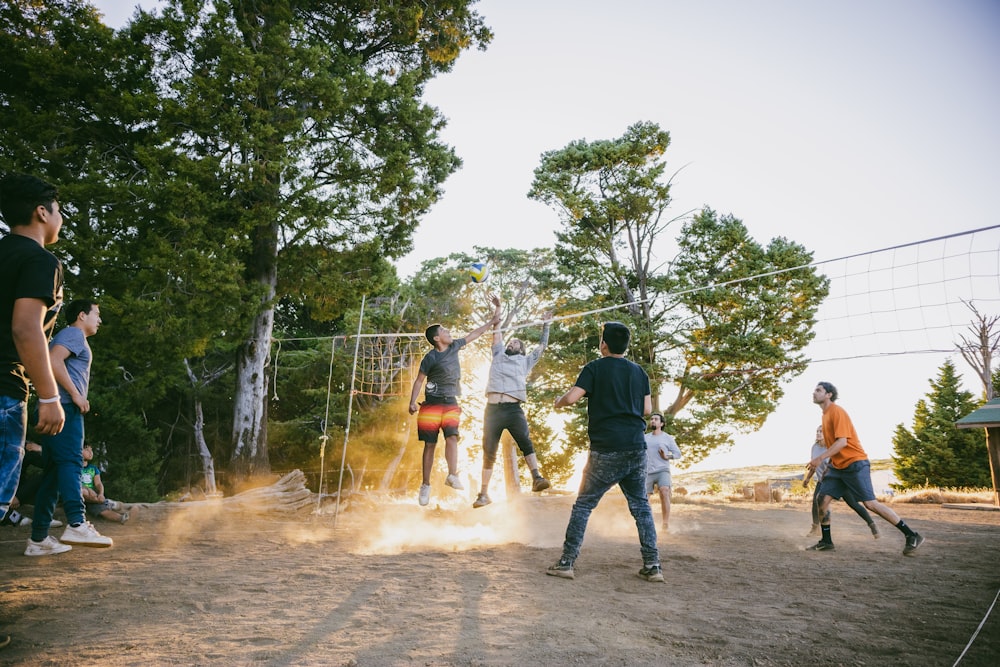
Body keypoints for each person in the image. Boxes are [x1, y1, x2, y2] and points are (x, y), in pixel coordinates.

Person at [547, 321, 663, 582]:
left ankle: (566, 563)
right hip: (635, 447)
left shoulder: (594, 368)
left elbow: (573, 397)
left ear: (604, 345)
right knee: (641, 508)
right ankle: (653, 566)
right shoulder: (640, 373)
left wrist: (558, 402)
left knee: (584, 505)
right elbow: (647, 410)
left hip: (606, 449)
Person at [0, 173, 68, 562]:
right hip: (5, 388)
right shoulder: (38, 260)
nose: (60, 220)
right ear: (42, 212)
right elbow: (26, 329)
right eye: (58, 212)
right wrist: (48, 395)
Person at [28, 299, 113, 555]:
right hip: (64, 408)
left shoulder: (73, 336)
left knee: (54, 473)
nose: (99, 319)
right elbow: (53, 361)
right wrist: (76, 395)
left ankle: (38, 539)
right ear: (81, 315)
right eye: (96, 314)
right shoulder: (73, 333)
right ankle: (76, 523)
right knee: (71, 463)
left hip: (56, 406)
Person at [807, 381, 924, 555]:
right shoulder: (825, 416)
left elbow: (842, 442)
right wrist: (828, 468)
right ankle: (826, 541)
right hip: (838, 468)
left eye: (818, 390)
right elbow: (834, 446)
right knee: (821, 500)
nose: (813, 393)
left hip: (855, 464)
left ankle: (911, 535)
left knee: (870, 503)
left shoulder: (837, 412)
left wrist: (820, 458)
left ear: (829, 394)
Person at [409, 294, 501, 506]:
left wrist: (493, 317)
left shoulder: (454, 347)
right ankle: (425, 485)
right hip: (431, 405)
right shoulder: (430, 357)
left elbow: (476, 333)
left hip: (450, 401)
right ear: (436, 338)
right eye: (445, 331)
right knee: (430, 445)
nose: (449, 333)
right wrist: (412, 402)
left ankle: (452, 474)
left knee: (452, 438)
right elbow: (419, 380)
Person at [472, 311, 553, 508]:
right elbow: (497, 331)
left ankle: (536, 478)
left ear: (522, 350)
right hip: (492, 410)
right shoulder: (498, 354)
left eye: (516, 343)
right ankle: (483, 494)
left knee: (525, 441)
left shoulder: (525, 361)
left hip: (513, 409)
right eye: (510, 342)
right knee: (488, 451)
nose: (512, 343)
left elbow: (542, 347)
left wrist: (546, 325)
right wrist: (497, 311)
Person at [803, 424, 878, 539]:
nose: (818, 433)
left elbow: (832, 464)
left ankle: (871, 524)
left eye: (821, 431)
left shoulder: (833, 447)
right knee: (816, 502)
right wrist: (808, 478)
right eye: (817, 431)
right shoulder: (814, 447)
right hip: (822, 481)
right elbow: (814, 464)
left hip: (838, 481)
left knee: (853, 503)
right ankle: (815, 528)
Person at [1, 441, 62, 528]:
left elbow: (53, 464)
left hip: (18, 492)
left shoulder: (22, 445)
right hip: (3, 494)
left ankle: (44, 517)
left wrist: (41, 449)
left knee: (48, 475)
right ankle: (13, 516)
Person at [644, 412, 682, 531]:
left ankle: (665, 523)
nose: (653, 421)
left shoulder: (668, 438)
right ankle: (650, 523)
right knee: (645, 498)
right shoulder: (645, 438)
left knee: (664, 491)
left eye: (655, 419)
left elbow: (678, 454)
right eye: (651, 419)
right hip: (647, 471)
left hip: (662, 470)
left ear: (662, 423)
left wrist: (667, 456)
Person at [81, 444, 129, 524]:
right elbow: (75, 483)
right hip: (82, 495)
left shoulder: (93, 468)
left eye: (91, 450)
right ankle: (107, 503)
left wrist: (101, 494)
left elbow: (98, 483)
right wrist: (89, 489)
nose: (90, 452)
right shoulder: (74, 467)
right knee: (83, 491)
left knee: (102, 510)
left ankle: (122, 518)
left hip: (92, 498)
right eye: (87, 450)